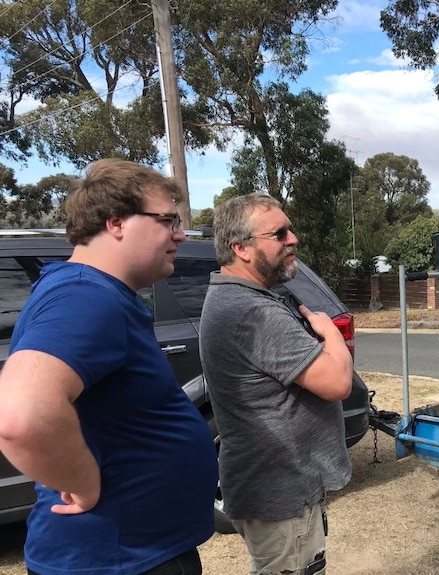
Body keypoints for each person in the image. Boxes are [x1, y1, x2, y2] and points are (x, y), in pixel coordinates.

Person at [0, 159, 218, 575]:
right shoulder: (85, 296)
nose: (180, 234)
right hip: (114, 560)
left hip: (132, 554)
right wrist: (83, 484)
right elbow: (20, 416)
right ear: (116, 221)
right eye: (168, 219)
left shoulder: (93, 292)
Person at [199, 194, 352, 575]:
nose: (293, 238)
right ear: (241, 248)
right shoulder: (251, 311)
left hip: (278, 486)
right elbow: (337, 382)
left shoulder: (241, 298)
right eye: (279, 233)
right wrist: (330, 335)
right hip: (280, 490)